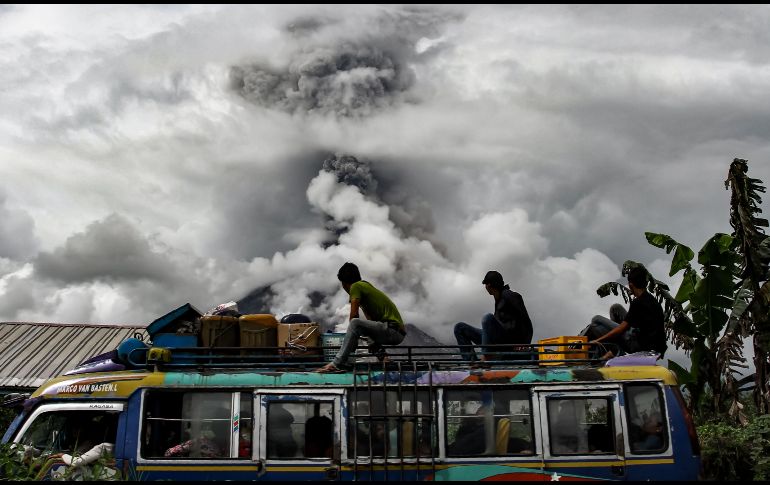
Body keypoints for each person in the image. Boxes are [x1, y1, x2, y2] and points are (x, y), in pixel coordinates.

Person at [316, 262, 406, 373]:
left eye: (343, 284)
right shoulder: (365, 288)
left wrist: (351, 342)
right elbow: (370, 323)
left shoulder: (356, 286)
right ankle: (384, 358)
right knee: (363, 328)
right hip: (396, 332)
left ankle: (336, 364)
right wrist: (372, 343)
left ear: (344, 283)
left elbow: (354, 317)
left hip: (392, 329)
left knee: (355, 323)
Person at [587, 266, 667, 359]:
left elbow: (622, 328)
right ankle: (616, 345)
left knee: (596, 319)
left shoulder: (638, 303)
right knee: (615, 308)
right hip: (653, 343)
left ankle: (615, 351)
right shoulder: (652, 300)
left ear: (631, 285)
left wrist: (598, 340)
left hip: (639, 344)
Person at [454, 270, 533, 362]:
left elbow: (526, 321)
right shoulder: (498, 299)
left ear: (489, 285)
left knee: (487, 318)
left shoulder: (509, 295)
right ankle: (470, 362)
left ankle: (486, 357)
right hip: (496, 340)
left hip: (508, 342)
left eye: (485, 284)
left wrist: (524, 344)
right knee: (460, 328)